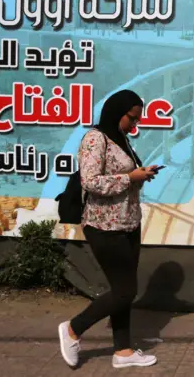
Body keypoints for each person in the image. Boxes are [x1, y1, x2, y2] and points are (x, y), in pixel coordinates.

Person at [57, 90, 160, 369]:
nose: (135, 124)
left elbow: (122, 177)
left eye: (138, 118)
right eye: (132, 118)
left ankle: (123, 352)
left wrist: (141, 175)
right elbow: (91, 182)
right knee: (125, 291)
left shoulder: (121, 138)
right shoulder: (95, 138)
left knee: (121, 289)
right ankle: (72, 329)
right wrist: (131, 178)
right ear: (117, 111)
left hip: (128, 223)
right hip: (104, 226)